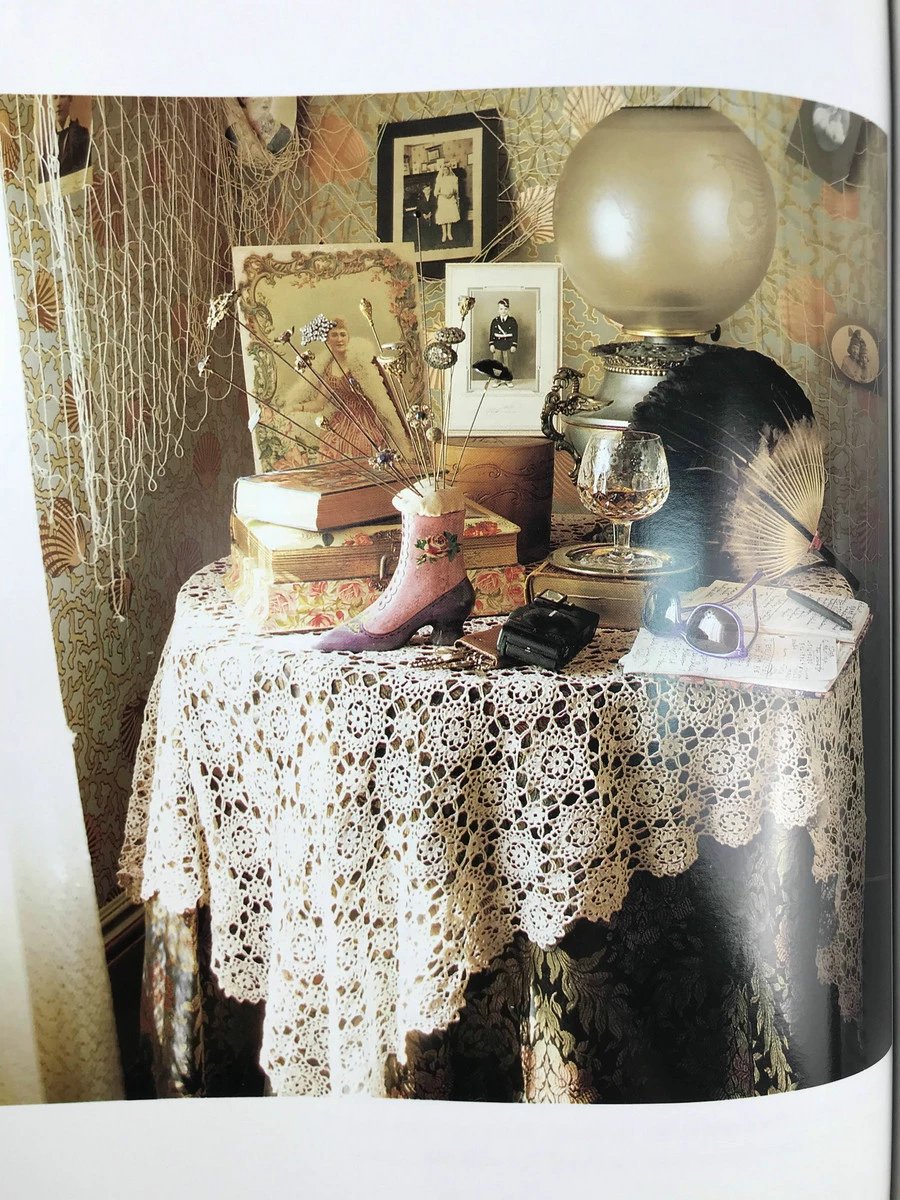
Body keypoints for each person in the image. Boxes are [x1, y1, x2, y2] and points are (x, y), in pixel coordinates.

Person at [292, 318, 396, 462]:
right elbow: (319, 403)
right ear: (327, 340)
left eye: (343, 334)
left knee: (362, 443)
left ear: (348, 337)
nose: (339, 339)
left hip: (365, 418)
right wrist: (298, 407)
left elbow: (377, 395)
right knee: (331, 442)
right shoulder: (329, 369)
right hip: (342, 418)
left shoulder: (358, 364)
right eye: (334, 335)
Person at [52, 95, 91, 178]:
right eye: (54, 97)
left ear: (70, 99)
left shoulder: (82, 134)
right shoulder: (47, 141)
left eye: (62, 96)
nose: (58, 103)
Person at [488, 299, 519, 384]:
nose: (503, 311)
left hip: (508, 345)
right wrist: (491, 344)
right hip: (497, 345)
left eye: (505, 309)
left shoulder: (512, 321)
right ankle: (497, 380)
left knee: (508, 364)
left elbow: (515, 334)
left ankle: (508, 380)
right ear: (498, 310)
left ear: (508, 309)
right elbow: (492, 334)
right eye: (501, 309)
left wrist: (514, 345)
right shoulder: (495, 321)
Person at [433, 162, 461, 244]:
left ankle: (449, 233)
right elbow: (436, 192)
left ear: (449, 170)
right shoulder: (439, 179)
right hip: (442, 199)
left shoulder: (453, 178)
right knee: (443, 216)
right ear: (442, 171)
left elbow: (456, 190)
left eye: (446, 170)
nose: (445, 171)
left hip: (450, 199)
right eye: (444, 170)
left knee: (450, 215)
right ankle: (444, 234)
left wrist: (451, 194)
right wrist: (443, 194)